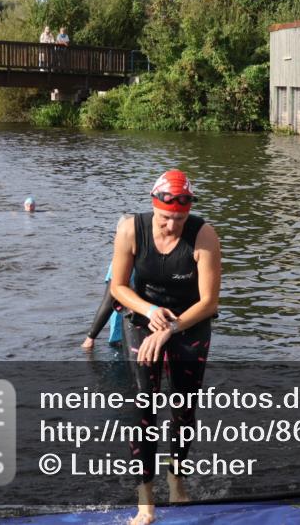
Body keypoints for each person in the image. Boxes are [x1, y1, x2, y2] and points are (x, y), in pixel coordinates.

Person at [110, 170, 221, 525]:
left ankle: (176, 479)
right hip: (146, 318)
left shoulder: (203, 235)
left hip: (189, 322)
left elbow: (210, 302)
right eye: (164, 218)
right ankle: (146, 500)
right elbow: (118, 287)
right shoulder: (131, 228)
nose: (171, 226)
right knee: (144, 409)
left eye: (179, 219)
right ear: (152, 208)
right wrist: (151, 311)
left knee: (183, 408)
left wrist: (172, 327)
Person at [82, 215, 132, 351]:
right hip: (142, 332)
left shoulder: (119, 264)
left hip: (121, 336)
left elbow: (110, 300)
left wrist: (90, 337)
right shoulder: (147, 258)